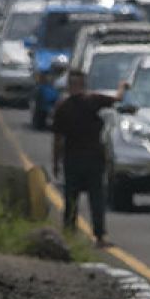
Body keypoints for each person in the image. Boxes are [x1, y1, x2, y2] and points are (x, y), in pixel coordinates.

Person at [51, 68, 115, 248]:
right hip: (88, 159)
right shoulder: (93, 101)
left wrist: (56, 163)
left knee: (74, 198)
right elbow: (117, 99)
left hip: (77, 159)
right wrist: (122, 87)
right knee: (94, 198)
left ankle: (71, 235)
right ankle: (98, 236)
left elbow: (57, 139)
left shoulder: (63, 106)